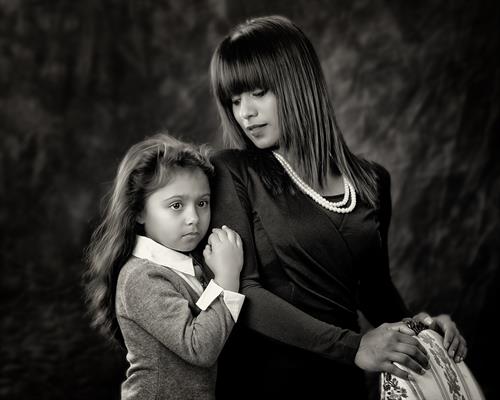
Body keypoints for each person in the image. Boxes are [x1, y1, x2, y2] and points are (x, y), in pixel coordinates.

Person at [208, 15, 467, 399]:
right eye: (234, 100)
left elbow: (374, 291)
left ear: (298, 84)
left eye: (258, 92)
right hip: (263, 382)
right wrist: (355, 346)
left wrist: (422, 330)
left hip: (342, 383)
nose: (244, 113)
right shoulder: (232, 171)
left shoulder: (372, 181)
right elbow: (243, 292)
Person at [84, 133, 245, 400]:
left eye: (202, 203)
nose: (193, 218)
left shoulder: (189, 263)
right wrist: (227, 277)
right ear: (139, 211)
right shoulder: (140, 276)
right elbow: (199, 348)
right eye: (176, 205)